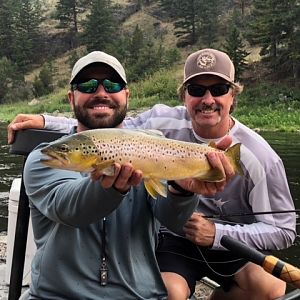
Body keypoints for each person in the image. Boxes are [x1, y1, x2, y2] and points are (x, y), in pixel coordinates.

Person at [8, 49, 296, 300]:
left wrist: (182, 192)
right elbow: (70, 208)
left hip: (141, 295)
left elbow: (170, 218)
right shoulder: (43, 159)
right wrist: (113, 187)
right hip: (60, 295)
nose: (101, 92)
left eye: (111, 85)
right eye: (88, 85)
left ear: (127, 95)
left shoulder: (149, 141)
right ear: (71, 97)